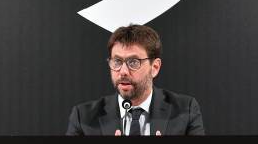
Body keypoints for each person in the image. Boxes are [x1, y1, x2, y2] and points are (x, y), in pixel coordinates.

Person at [66, 24, 205, 136]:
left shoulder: (185, 111)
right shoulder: (83, 118)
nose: (123, 71)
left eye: (133, 62)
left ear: (155, 67)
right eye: (117, 61)